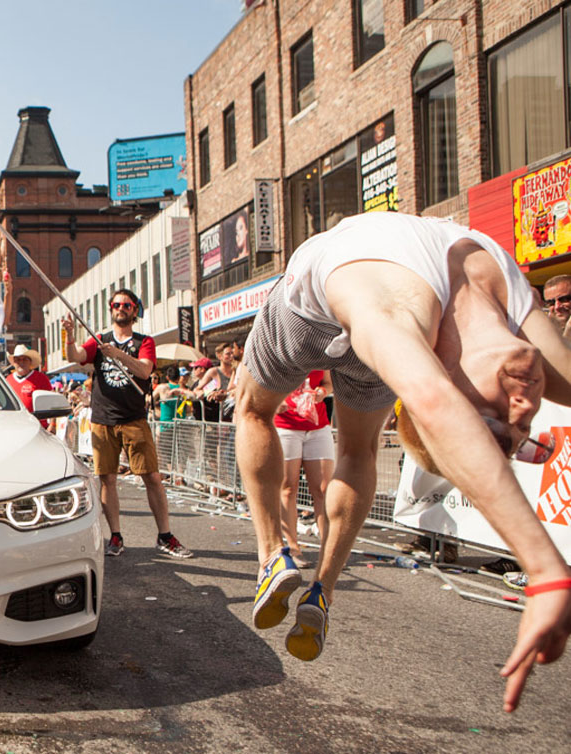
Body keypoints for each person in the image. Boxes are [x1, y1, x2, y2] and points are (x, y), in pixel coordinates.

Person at [234, 212, 571, 712]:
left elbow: (433, 402)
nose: (523, 411)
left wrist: (547, 571)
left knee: (253, 408)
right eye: (522, 424)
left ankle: (276, 560)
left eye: (495, 419)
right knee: (357, 450)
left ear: (448, 379)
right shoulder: (512, 302)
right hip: (345, 301)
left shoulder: (396, 314)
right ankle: (313, 584)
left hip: (309, 312)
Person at [64, 290, 194, 560]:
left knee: (152, 477)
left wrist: (118, 355)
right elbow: (75, 356)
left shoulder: (143, 341)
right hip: (103, 420)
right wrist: (70, 335)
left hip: (134, 418)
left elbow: (145, 371)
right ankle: (115, 535)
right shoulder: (99, 340)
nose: (120, 308)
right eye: (116, 304)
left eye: (126, 305)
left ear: (135, 311)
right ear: (110, 309)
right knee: (107, 478)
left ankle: (165, 535)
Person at [273, 370, 334, 569]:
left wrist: (322, 392)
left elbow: (328, 382)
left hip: (318, 425)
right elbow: (264, 385)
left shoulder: (321, 349)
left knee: (324, 489)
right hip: (286, 425)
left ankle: (328, 547)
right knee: (289, 488)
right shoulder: (283, 350)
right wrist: (275, 403)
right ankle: (293, 547)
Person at [5, 345, 52, 427]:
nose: (21, 362)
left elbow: (52, 403)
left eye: (24, 359)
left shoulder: (41, 378)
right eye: (18, 360)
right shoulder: (8, 380)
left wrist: (52, 424)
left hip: (39, 427)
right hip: (14, 426)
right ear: (14, 362)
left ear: (30, 361)